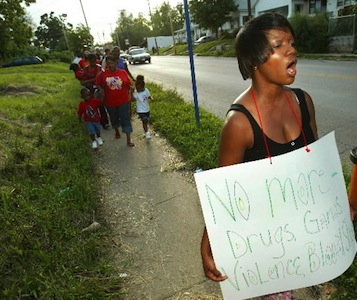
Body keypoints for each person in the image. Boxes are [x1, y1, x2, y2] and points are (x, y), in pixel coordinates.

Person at [200, 13, 318, 300]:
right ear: (255, 59)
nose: (292, 50)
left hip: (303, 232)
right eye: (279, 45)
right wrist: (208, 243)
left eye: (292, 42)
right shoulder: (239, 124)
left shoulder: (303, 101)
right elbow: (223, 193)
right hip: (266, 244)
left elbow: (316, 166)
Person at [95, 55, 135, 147]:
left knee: (126, 119)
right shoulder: (102, 74)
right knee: (114, 118)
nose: (110, 65)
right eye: (108, 64)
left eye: (112, 63)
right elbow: (97, 84)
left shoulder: (122, 72)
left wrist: (131, 90)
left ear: (116, 63)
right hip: (109, 102)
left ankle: (128, 139)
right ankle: (117, 130)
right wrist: (100, 89)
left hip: (123, 101)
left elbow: (128, 84)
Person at [132, 75, 154, 139]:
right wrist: (131, 93)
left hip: (147, 109)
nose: (138, 90)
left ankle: (145, 129)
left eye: (140, 88)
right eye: (137, 88)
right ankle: (147, 133)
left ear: (143, 87)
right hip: (140, 110)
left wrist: (151, 98)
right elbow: (133, 100)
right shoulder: (136, 93)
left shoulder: (146, 90)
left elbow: (149, 96)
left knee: (146, 121)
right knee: (144, 120)